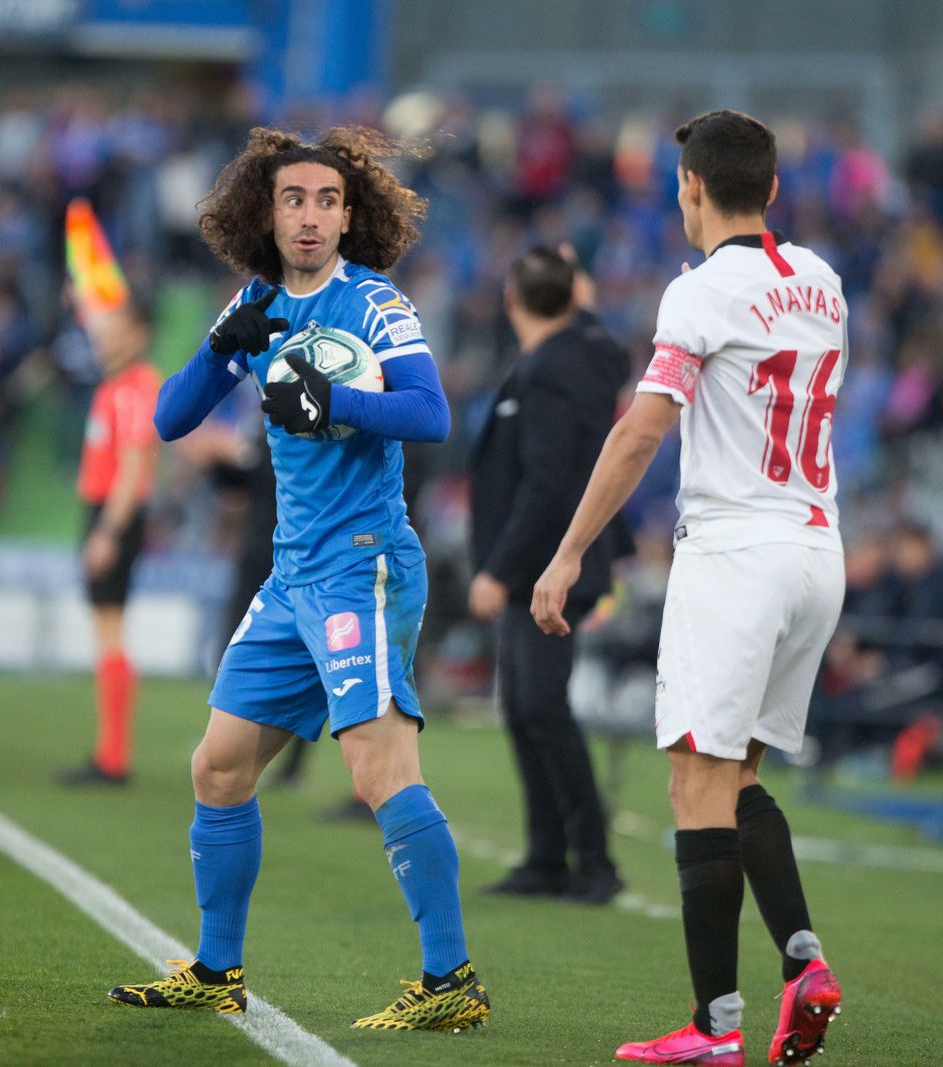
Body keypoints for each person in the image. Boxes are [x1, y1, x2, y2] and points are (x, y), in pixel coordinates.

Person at [107, 126, 490, 1033]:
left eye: (326, 201)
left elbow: (431, 414)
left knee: (378, 769)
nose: (309, 216)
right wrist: (222, 344)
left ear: (350, 215)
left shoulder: (377, 304)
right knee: (219, 765)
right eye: (293, 200)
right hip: (290, 579)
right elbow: (168, 418)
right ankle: (216, 968)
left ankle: (451, 982)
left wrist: (338, 402)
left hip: (365, 566)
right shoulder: (258, 302)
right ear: (266, 214)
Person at [532, 110, 846, 1066]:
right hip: (815, 549)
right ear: (775, 192)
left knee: (691, 782)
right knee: (736, 775)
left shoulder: (700, 292)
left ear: (692, 190)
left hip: (735, 554)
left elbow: (641, 431)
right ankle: (804, 962)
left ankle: (714, 1029)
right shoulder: (825, 283)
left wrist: (568, 551)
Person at [467, 245, 631, 904]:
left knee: (541, 706)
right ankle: (546, 854)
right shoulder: (578, 355)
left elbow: (545, 481)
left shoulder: (553, 367)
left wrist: (499, 570)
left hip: (545, 564)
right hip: (549, 559)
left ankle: (592, 858)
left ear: (511, 300)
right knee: (523, 706)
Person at [55, 303, 162, 786]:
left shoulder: (137, 387)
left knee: (111, 630)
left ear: (139, 335)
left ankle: (113, 758)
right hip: (102, 511)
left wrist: (108, 532)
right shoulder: (115, 386)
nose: (104, 340)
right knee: (106, 630)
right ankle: (110, 753)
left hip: (114, 514)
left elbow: (135, 465)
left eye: (116, 332)